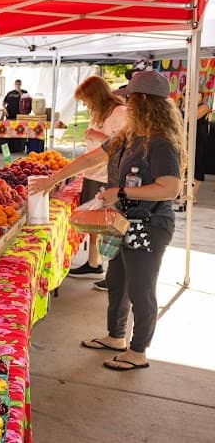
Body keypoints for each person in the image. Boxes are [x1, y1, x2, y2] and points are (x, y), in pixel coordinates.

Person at [31, 71, 183, 371]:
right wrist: (53, 179)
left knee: (141, 288)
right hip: (125, 222)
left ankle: (138, 351)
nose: (125, 103)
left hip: (150, 226)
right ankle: (116, 337)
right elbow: (91, 159)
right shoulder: (129, 136)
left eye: (130, 99)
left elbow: (171, 187)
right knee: (117, 281)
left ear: (143, 102)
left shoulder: (160, 143)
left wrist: (123, 191)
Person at [68, 76, 128, 281]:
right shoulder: (100, 112)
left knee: (110, 222)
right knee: (94, 221)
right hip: (93, 172)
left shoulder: (119, 112)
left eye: (86, 100)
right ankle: (93, 262)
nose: (86, 105)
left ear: (96, 95)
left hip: (108, 175)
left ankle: (114, 273)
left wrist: (97, 135)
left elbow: (123, 145)